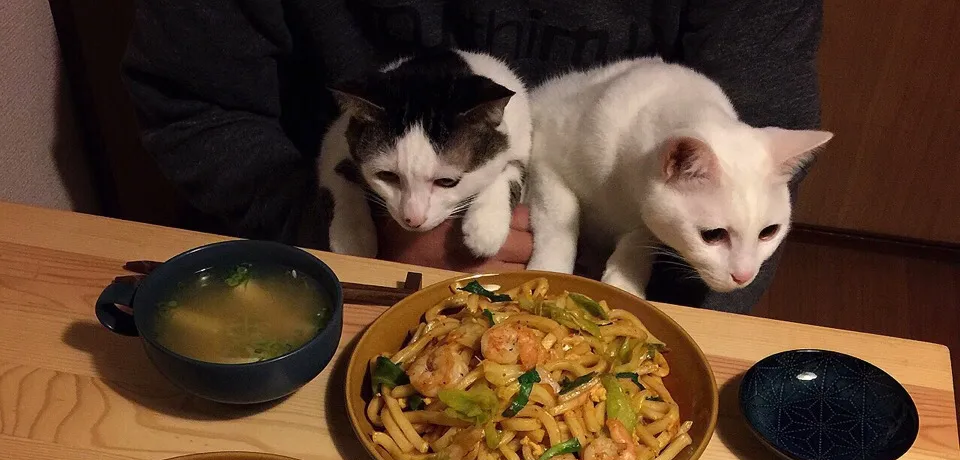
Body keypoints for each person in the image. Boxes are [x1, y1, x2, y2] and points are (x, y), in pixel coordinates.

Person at [123, 1, 823, 313]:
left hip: (628, 297)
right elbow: (192, 102)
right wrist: (340, 230)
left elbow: (762, 155)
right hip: (331, 276)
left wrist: (641, 287)